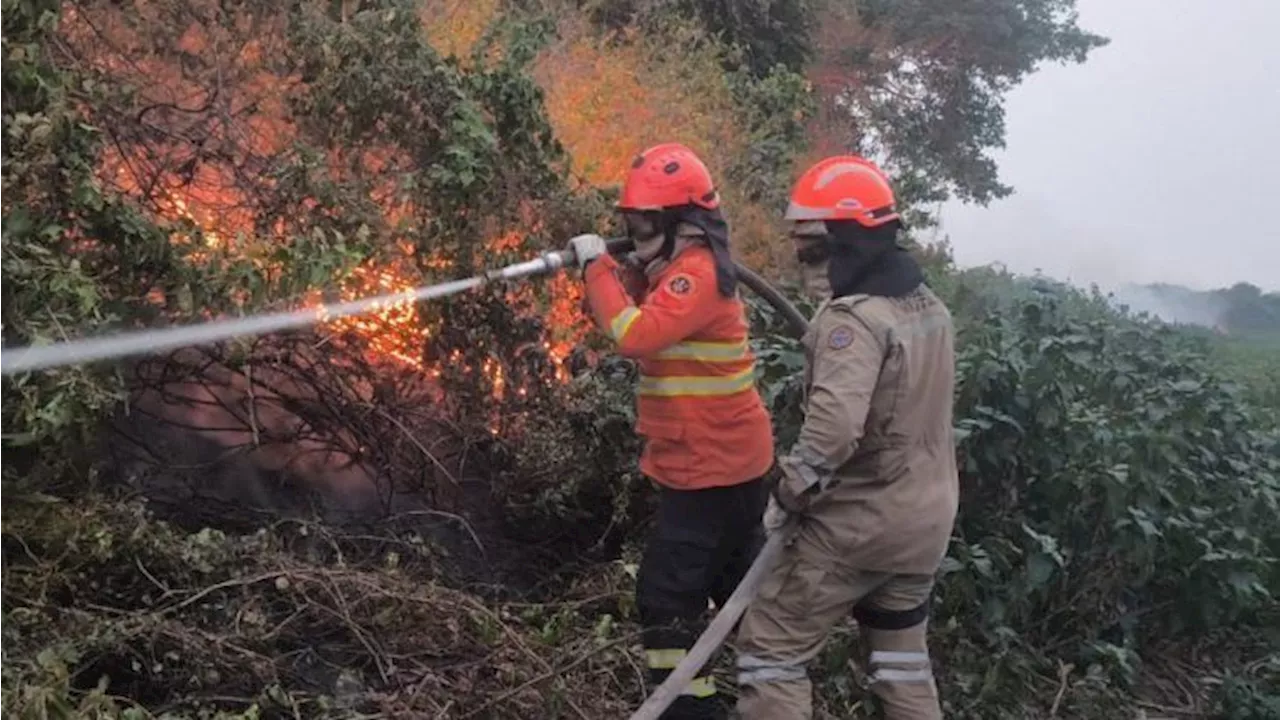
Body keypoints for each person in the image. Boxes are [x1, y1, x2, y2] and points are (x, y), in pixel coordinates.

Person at [733, 155, 960, 720]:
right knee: (902, 662)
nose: (804, 256)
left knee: (771, 650)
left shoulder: (852, 321)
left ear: (847, 240)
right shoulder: (929, 308)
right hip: (926, 525)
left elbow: (834, 430)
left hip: (860, 524)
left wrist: (790, 489)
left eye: (813, 242)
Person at [566, 142, 775, 719]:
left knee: (665, 598)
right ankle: (771, 689)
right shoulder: (683, 270)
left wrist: (596, 266)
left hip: (712, 469)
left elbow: (635, 335)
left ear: (680, 222)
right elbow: (646, 313)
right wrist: (620, 273)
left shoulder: (698, 276)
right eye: (628, 223)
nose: (633, 233)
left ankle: (687, 708)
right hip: (720, 464)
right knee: (739, 591)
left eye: (643, 222)